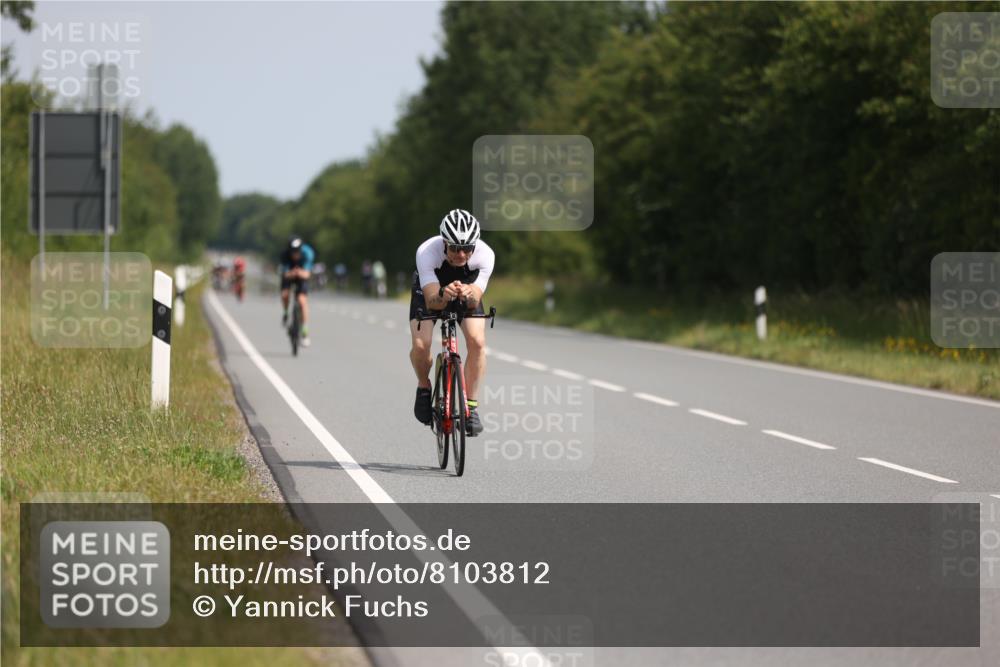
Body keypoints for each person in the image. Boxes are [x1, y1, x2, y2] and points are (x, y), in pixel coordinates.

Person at [409, 209, 495, 436]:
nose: (461, 255)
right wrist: (443, 295)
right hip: (431, 287)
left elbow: (476, 297)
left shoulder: (485, 254)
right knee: (421, 344)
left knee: (477, 342)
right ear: (444, 243)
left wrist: (469, 293)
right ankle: (424, 386)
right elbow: (431, 300)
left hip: (467, 284)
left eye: (467, 249)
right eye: (455, 248)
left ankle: (471, 407)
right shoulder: (427, 252)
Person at [279, 235, 315, 347]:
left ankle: (304, 330)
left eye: (297, 252)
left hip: (302, 275)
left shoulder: (308, 253)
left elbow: (307, 274)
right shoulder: (284, 255)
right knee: (285, 295)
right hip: (289, 274)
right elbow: (284, 273)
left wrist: (300, 273)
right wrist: (291, 273)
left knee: (302, 300)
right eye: (293, 252)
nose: (295, 254)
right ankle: (285, 313)